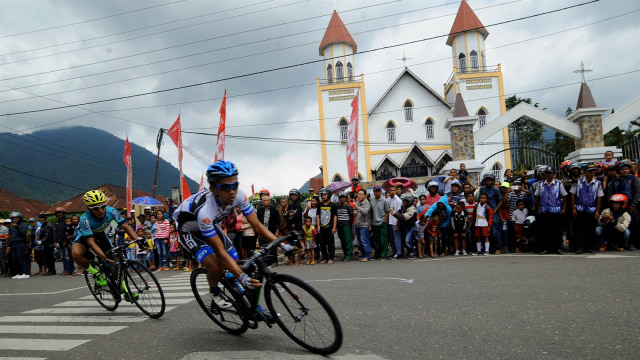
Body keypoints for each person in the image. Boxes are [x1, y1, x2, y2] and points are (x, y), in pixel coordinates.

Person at [172, 160, 278, 316]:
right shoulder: (205, 210)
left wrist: (281, 244)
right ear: (213, 189)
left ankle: (243, 299)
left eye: (234, 185)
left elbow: (258, 226)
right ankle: (215, 292)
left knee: (234, 258)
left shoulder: (239, 195)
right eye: (225, 187)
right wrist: (242, 277)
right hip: (190, 231)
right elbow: (220, 253)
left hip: (210, 226)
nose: (232, 191)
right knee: (216, 264)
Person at [72, 190, 141, 291]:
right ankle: (96, 273)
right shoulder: (85, 219)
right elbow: (90, 242)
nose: (100, 210)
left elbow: (126, 227)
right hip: (84, 237)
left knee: (118, 262)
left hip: (100, 235)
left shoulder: (111, 211)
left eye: (103, 206)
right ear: (88, 208)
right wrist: (104, 257)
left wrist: (138, 240)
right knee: (76, 253)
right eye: (96, 208)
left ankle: (126, 290)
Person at [534, 166, 568, 255]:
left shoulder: (558, 184)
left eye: (550, 173)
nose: (548, 175)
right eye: (547, 173)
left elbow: (564, 196)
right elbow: (537, 197)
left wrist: (563, 208)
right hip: (544, 211)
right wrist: (538, 208)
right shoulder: (541, 184)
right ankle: (546, 248)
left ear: (554, 174)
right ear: (544, 174)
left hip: (556, 211)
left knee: (557, 231)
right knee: (546, 231)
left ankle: (558, 248)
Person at [571, 163, 603, 254]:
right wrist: (573, 208)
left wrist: (597, 211)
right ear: (584, 172)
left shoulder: (597, 183)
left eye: (593, 171)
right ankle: (580, 247)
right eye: (589, 171)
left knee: (590, 230)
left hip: (591, 210)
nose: (591, 173)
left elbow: (599, 198)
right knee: (579, 230)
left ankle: (590, 247)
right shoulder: (578, 182)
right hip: (579, 209)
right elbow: (572, 195)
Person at [607, 160, 639, 250]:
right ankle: (617, 243)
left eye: (627, 169)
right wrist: (613, 204)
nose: (625, 171)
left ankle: (631, 243)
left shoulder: (634, 179)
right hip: (618, 207)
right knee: (617, 224)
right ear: (618, 170)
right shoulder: (614, 181)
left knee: (632, 225)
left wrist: (633, 204)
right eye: (622, 169)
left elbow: (637, 193)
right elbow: (610, 193)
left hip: (630, 206)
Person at [317, 188, 337, 264]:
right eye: (322, 195)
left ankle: (331, 258)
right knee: (322, 243)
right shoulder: (320, 205)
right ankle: (324, 258)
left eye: (325, 194)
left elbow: (335, 216)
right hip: (322, 227)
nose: (323, 196)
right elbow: (318, 215)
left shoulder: (333, 205)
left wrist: (334, 227)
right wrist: (318, 225)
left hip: (330, 227)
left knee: (331, 243)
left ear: (329, 195)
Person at [7, 212, 30, 279]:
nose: (15, 219)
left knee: (21, 258)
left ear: (20, 218)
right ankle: (19, 273)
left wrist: (17, 227)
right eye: (13, 218)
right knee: (14, 259)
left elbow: (23, 234)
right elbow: (10, 236)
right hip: (13, 244)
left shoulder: (23, 225)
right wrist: (9, 245)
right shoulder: (11, 226)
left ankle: (25, 273)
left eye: (16, 218)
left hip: (20, 243)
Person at [394, 193, 417, 259]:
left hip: (410, 227)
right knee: (404, 241)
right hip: (404, 227)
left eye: (405, 201)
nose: (403, 202)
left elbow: (403, 217)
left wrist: (394, 214)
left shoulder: (412, 209)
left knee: (408, 240)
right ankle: (407, 253)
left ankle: (412, 253)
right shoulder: (403, 207)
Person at [370, 185, 390, 260]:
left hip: (382, 222)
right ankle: (377, 254)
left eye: (379, 191)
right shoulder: (372, 200)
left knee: (383, 240)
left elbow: (387, 211)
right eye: (376, 191)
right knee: (376, 240)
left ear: (381, 191)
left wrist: (384, 221)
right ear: (374, 192)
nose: (377, 192)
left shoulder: (384, 200)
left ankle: (384, 254)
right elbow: (371, 211)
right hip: (374, 222)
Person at [334, 191, 354, 262]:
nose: (342, 199)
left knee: (348, 241)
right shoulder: (337, 206)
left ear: (346, 198)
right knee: (342, 241)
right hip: (340, 226)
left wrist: (349, 224)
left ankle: (349, 255)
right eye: (340, 197)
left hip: (346, 226)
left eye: (343, 197)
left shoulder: (348, 206)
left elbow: (351, 216)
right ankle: (345, 254)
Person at [353, 189, 372, 262]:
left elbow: (365, 212)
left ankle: (367, 256)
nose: (359, 196)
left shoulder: (367, 203)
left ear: (365, 195)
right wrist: (354, 212)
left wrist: (357, 207)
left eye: (361, 194)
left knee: (364, 240)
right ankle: (363, 255)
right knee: (360, 241)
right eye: (358, 194)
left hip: (364, 224)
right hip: (357, 224)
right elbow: (355, 210)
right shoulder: (357, 202)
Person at [387, 185, 403, 258]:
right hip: (389, 221)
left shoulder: (398, 200)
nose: (393, 192)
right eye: (391, 190)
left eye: (394, 190)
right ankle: (394, 252)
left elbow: (398, 212)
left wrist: (397, 224)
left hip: (395, 221)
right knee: (391, 239)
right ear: (389, 191)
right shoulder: (388, 199)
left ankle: (398, 252)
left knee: (397, 238)